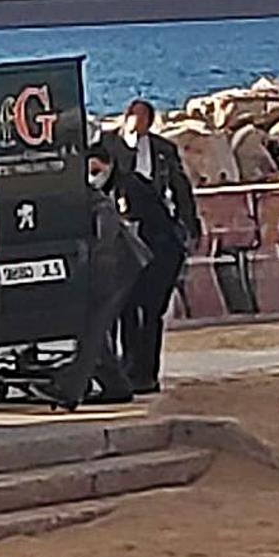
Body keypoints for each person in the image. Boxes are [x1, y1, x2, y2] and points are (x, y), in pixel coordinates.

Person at [100, 99, 201, 394]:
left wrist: (190, 224)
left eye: (146, 119)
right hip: (125, 234)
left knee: (152, 308)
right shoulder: (110, 145)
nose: (139, 124)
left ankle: (147, 373)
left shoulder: (162, 149)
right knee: (126, 306)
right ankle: (127, 368)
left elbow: (180, 188)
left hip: (159, 235)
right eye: (136, 117)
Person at [51, 144, 151, 406]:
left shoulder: (91, 196)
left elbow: (105, 237)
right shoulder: (76, 192)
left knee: (94, 330)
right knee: (94, 328)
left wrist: (94, 265)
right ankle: (115, 385)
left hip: (118, 266)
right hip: (109, 267)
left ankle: (72, 390)